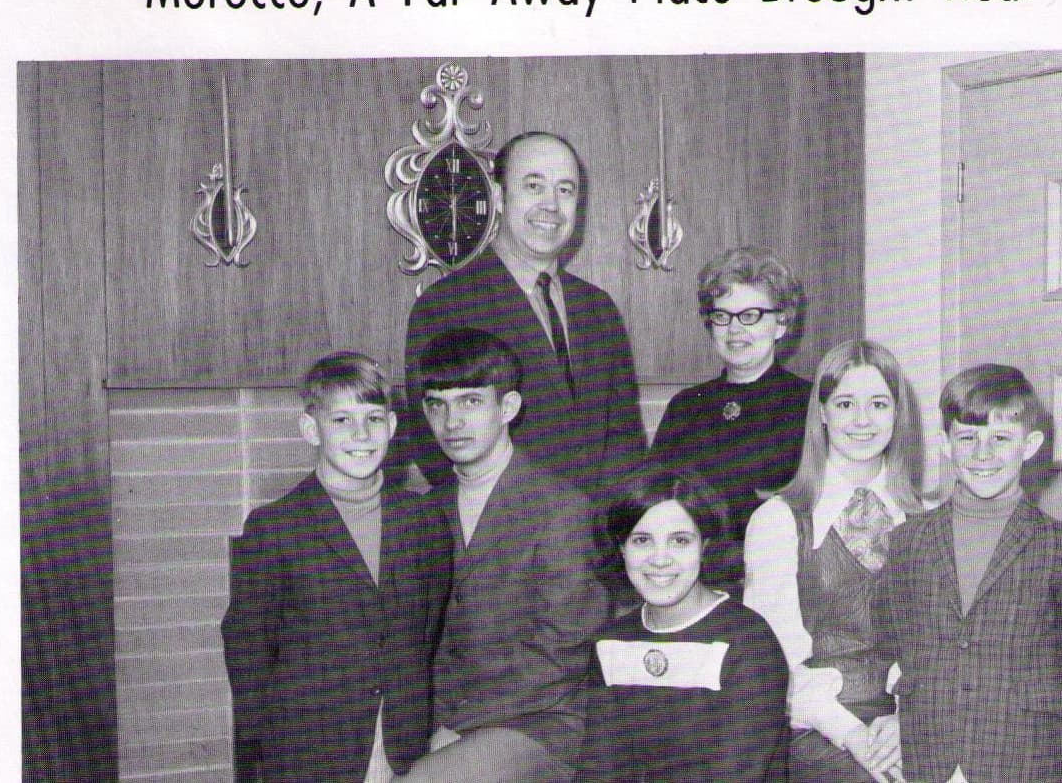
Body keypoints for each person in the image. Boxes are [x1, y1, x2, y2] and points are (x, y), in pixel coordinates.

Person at [873, 364, 1062, 783]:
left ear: (1030, 445)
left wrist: (1045, 739)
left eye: (1000, 438)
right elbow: (892, 643)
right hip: (929, 758)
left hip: (1027, 761)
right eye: (968, 437)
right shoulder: (907, 543)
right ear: (946, 444)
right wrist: (904, 717)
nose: (982, 455)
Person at [221, 353, 452, 783]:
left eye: (374, 419)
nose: (361, 435)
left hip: (402, 748)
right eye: (342, 420)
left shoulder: (422, 519)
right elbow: (249, 658)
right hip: (308, 754)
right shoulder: (274, 528)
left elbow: (431, 630)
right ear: (311, 429)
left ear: (394, 427)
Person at [396, 327, 610, 783]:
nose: (452, 422)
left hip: (540, 725)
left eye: (471, 401)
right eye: (438, 404)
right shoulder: (428, 509)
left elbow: (560, 655)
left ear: (507, 408)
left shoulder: (560, 507)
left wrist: (461, 723)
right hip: (447, 724)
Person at [403, 131, 646, 498]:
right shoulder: (445, 306)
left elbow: (625, 438)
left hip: (599, 539)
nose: (551, 205)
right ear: (499, 197)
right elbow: (435, 448)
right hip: (504, 539)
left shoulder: (598, 309)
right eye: (534, 186)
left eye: (565, 190)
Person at [744, 340, 924, 783]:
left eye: (879, 404)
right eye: (845, 403)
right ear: (821, 413)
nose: (862, 421)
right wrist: (856, 738)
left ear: (898, 414)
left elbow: (936, 652)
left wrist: (906, 723)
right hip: (815, 728)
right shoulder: (779, 521)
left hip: (909, 724)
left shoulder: (923, 521)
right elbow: (774, 667)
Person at [579, 469, 790, 782]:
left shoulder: (748, 642)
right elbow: (599, 769)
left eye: (679, 541)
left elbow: (738, 774)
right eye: (642, 540)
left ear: (704, 546)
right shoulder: (612, 643)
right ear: (621, 548)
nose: (660, 559)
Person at [648, 246, 813, 590]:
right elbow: (655, 503)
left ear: (781, 322)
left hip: (779, 583)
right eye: (722, 316)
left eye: (750, 315)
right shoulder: (686, 406)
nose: (734, 329)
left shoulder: (809, 404)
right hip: (689, 584)